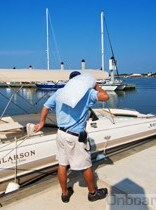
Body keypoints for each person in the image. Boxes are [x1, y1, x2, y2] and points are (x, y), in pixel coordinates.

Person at [34, 71, 109, 203]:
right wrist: (95, 85)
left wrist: (41, 122)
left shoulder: (60, 92)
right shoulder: (87, 93)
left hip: (61, 134)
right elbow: (105, 96)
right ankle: (93, 193)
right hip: (75, 137)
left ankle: (65, 193)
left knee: (62, 164)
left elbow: (46, 107)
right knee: (86, 165)